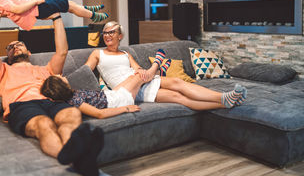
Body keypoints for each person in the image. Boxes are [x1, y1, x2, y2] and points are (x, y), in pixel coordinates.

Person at [0, 9, 103, 176]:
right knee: (43, 124)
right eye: (10, 47)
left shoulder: (45, 70)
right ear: (7, 55)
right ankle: (75, 159)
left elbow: (62, 52)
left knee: (72, 113)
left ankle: (75, 156)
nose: (15, 47)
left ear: (29, 52)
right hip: (22, 105)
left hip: (50, 101)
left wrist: (56, 17)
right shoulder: (1, 71)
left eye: (19, 44)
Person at [84, 21, 248, 110]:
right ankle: (157, 63)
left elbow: (138, 70)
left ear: (120, 36)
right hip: (129, 89)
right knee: (179, 98)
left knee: (177, 83)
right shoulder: (98, 53)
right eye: (105, 32)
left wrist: (144, 73)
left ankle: (223, 100)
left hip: (140, 78)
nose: (107, 35)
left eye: (111, 32)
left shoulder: (126, 54)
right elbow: (84, 73)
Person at [41, 75, 141, 119]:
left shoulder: (72, 94)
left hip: (108, 95)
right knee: (140, 77)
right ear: (62, 85)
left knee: (132, 77)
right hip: (115, 101)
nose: (61, 75)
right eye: (60, 77)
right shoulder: (75, 101)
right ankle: (156, 65)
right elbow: (99, 114)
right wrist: (126, 108)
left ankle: (156, 74)